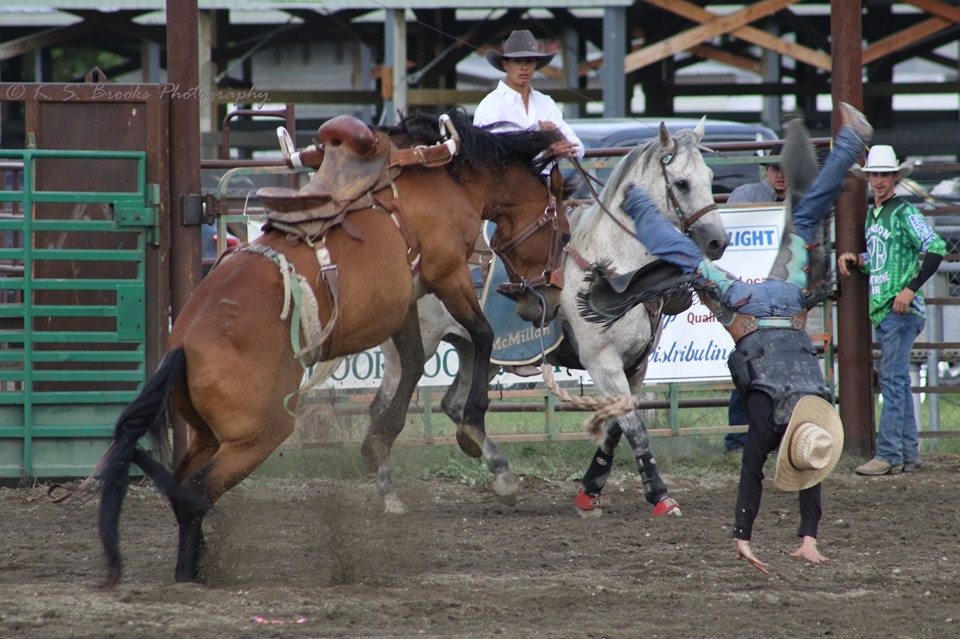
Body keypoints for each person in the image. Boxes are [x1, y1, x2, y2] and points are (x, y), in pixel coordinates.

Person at [618, 102, 872, 573]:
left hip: (788, 296)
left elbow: (796, 469)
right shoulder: (777, 422)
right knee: (684, 258)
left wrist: (773, 536)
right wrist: (746, 538)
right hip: (751, 309)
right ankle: (634, 196)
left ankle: (852, 142)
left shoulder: (815, 407)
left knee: (805, 217)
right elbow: (753, 474)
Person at [838, 145, 947, 476]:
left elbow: (936, 247)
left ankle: (888, 454)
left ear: (895, 177)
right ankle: (908, 454)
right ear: (868, 178)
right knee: (896, 381)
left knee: (893, 380)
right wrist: (858, 260)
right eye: (875, 175)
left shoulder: (903, 212)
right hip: (889, 309)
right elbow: (883, 260)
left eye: (885, 174)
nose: (879, 180)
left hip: (899, 309)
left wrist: (910, 288)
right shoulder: (877, 216)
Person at [722, 144, 786, 452]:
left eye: (786, 170)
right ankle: (739, 436)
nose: (781, 176)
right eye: (776, 170)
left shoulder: (791, 202)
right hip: (756, 292)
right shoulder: (746, 197)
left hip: (778, 294)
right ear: (768, 170)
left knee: (769, 364)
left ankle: (757, 436)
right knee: (749, 361)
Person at [474, 29, 584, 165]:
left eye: (529, 61)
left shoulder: (545, 102)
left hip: (547, 184)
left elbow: (579, 149)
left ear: (535, 65)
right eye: (517, 61)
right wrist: (546, 153)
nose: (524, 67)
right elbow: (490, 157)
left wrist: (557, 135)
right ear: (505, 64)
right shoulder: (490, 106)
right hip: (506, 185)